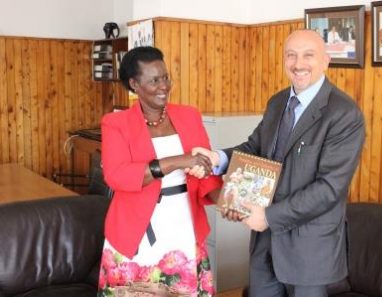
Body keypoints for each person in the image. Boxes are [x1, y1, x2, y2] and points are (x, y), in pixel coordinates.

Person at [192, 29, 365, 297]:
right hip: (264, 246)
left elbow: (329, 189)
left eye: (309, 55)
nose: (298, 64)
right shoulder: (278, 102)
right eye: (291, 55)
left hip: (309, 251)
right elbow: (254, 149)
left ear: (326, 60)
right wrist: (219, 158)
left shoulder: (344, 114)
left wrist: (269, 217)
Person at [97, 46, 223, 297]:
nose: (163, 86)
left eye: (165, 77)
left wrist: (229, 203)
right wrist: (177, 161)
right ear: (134, 84)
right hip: (137, 229)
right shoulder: (115, 123)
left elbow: (206, 172)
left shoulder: (189, 115)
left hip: (184, 222)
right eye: (154, 80)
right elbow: (117, 175)